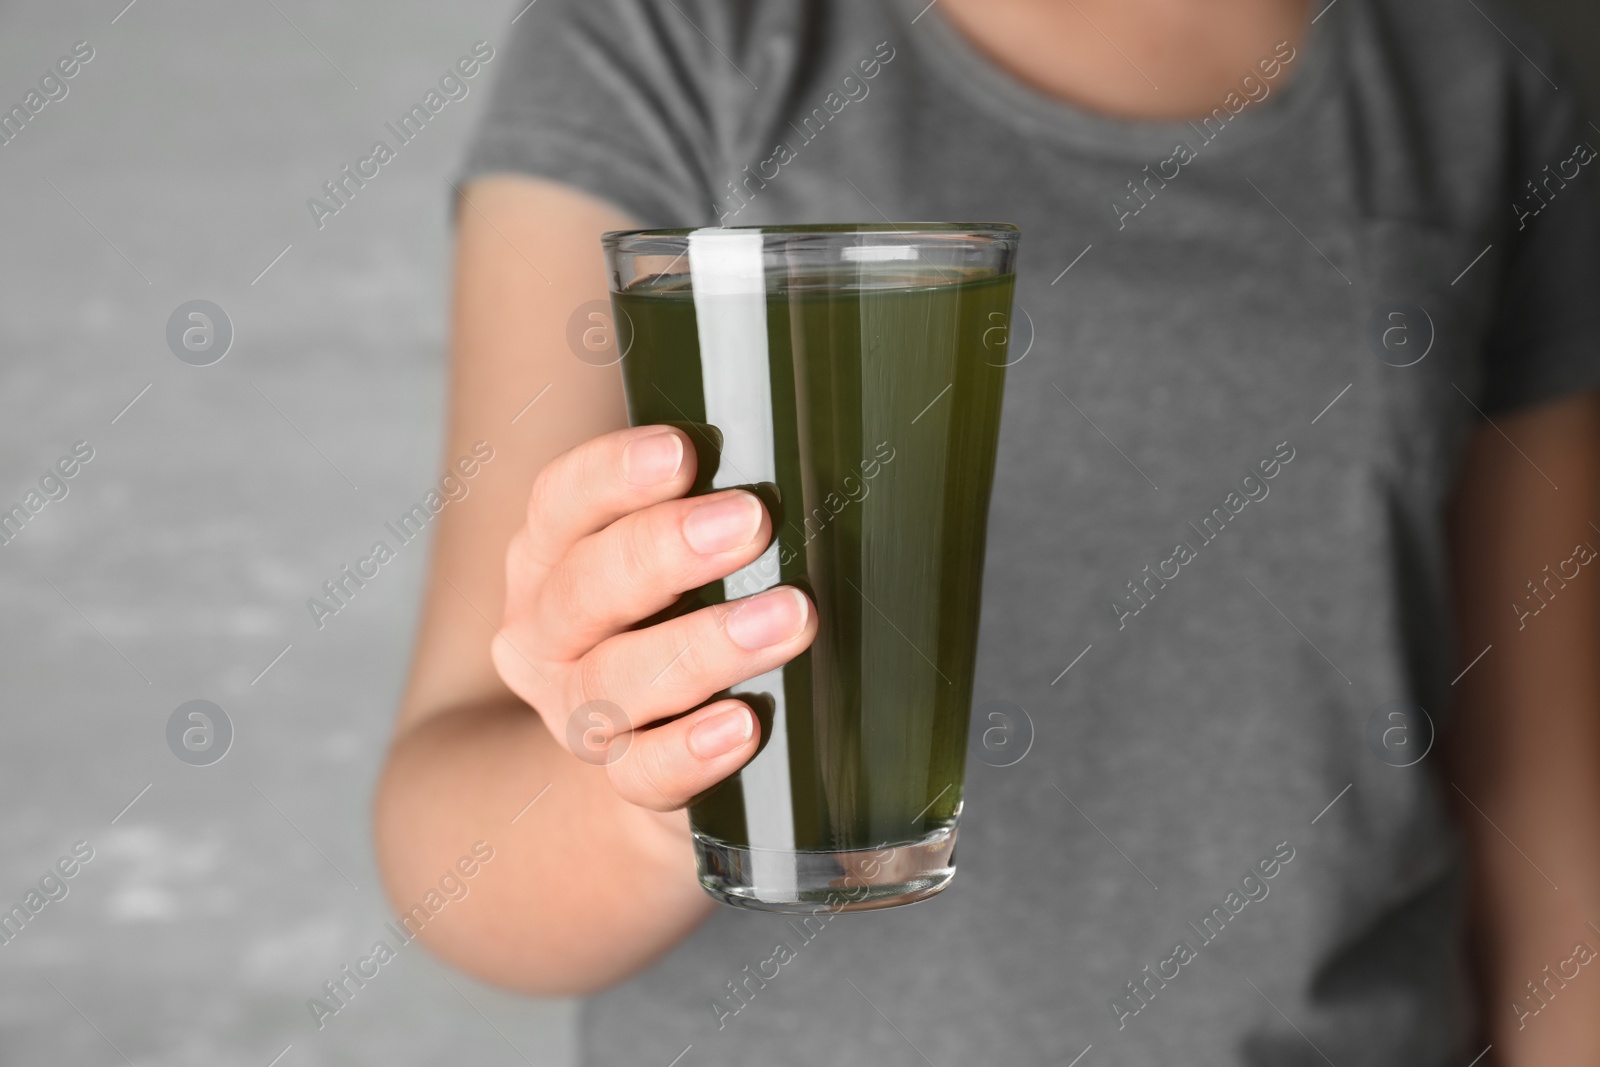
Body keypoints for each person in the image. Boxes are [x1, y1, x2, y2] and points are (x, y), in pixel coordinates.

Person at [374, 0, 1600, 1061]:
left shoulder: (1480, 85)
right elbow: (452, 856)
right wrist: (661, 790)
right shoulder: (684, 34)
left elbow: (1541, 812)